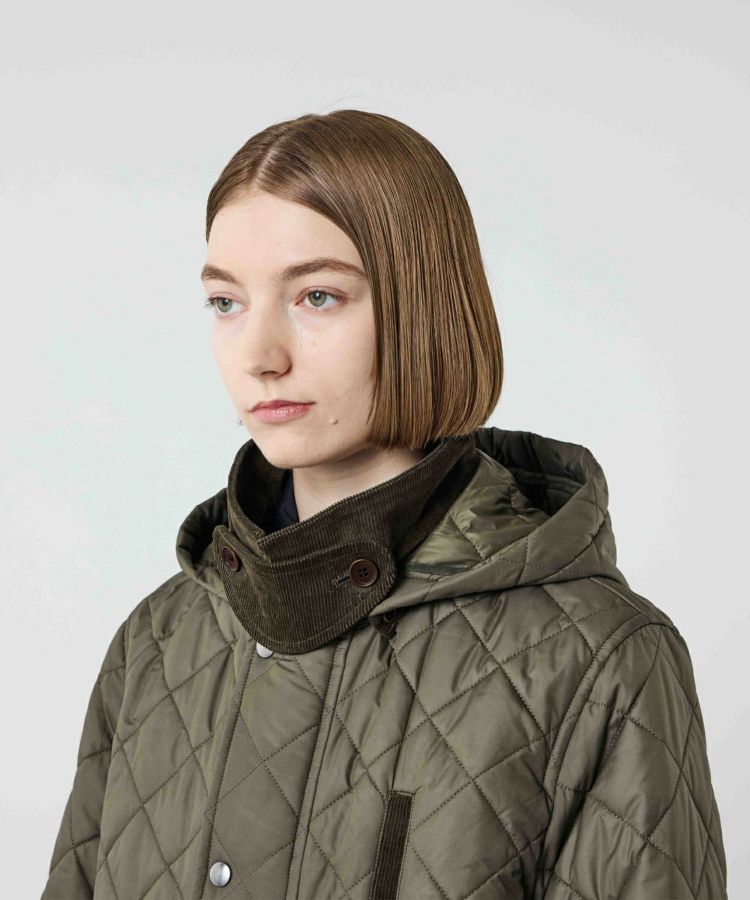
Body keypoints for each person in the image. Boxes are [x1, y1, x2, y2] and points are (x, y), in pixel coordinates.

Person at [41, 109, 728, 900]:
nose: (259, 355)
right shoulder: (159, 644)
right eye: (226, 303)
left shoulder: (598, 658)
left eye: (317, 296)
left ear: (424, 308)